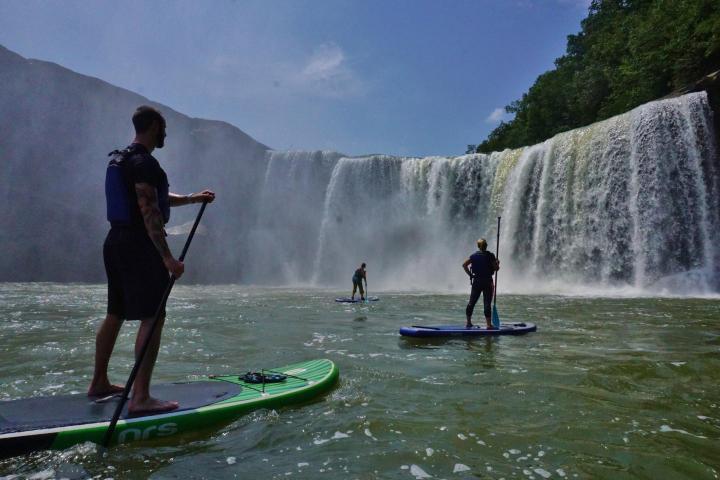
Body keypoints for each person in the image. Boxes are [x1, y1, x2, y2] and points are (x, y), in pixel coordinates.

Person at [88, 105, 215, 414]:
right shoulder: (147, 164)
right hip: (138, 244)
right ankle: (141, 397)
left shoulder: (122, 159)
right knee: (153, 316)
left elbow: (151, 197)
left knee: (115, 312)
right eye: (164, 127)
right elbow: (149, 209)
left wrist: (192, 198)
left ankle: (99, 382)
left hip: (114, 241)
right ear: (155, 126)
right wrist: (168, 258)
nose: (166, 134)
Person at [462, 238, 499, 329]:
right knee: (487, 304)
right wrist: (497, 263)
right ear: (486, 246)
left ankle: (468, 322)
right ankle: (488, 325)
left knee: (471, 303)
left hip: (477, 282)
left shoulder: (473, 256)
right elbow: (496, 268)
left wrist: (470, 275)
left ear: (478, 246)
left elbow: (464, 265)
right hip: (487, 282)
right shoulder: (491, 256)